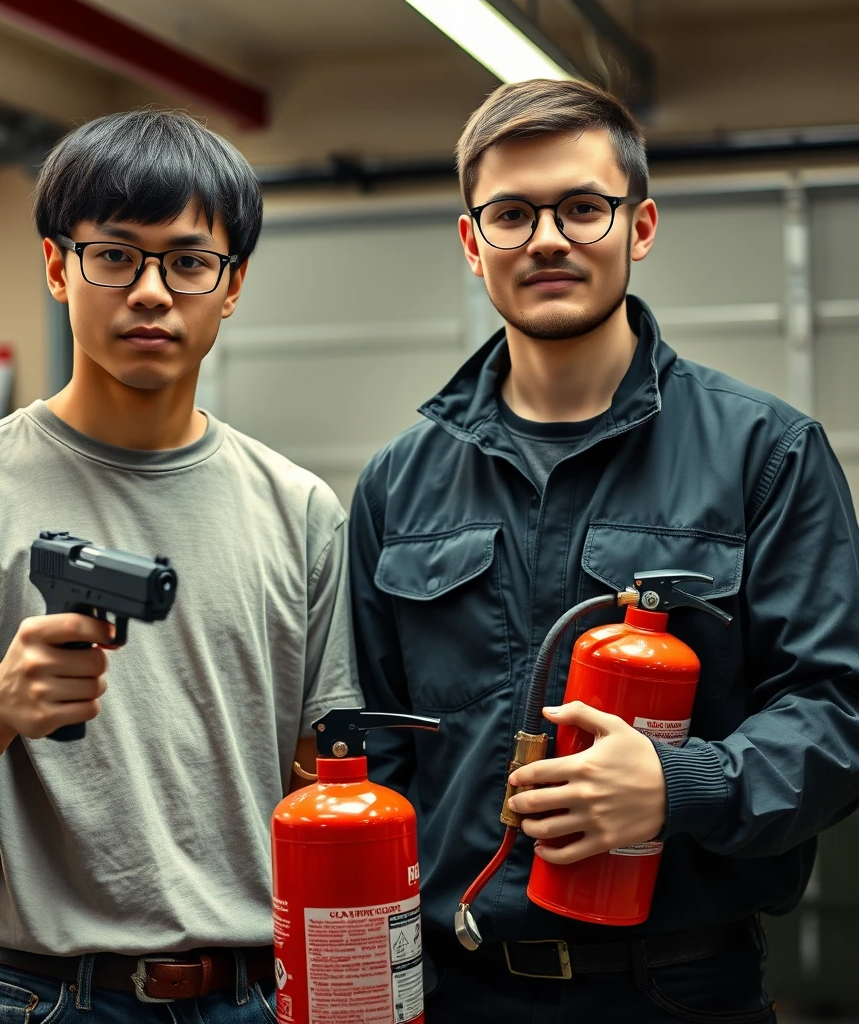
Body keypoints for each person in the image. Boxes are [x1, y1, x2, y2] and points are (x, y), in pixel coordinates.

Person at [349, 78, 859, 1022]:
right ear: (473, 243)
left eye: (583, 207)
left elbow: (837, 709)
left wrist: (678, 786)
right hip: (456, 986)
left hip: (676, 988)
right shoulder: (398, 484)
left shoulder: (767, 454)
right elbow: (383, 747)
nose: (547, 238)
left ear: (642, 225)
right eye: (510, 213)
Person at [0, 109, 359, 1024]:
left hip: (254, 996)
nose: (151, 292)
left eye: (189, 262)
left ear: (231, 287)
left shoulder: (303, 511)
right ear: (55, 268)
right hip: (32, 997)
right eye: (114, 255)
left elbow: (325, 785)